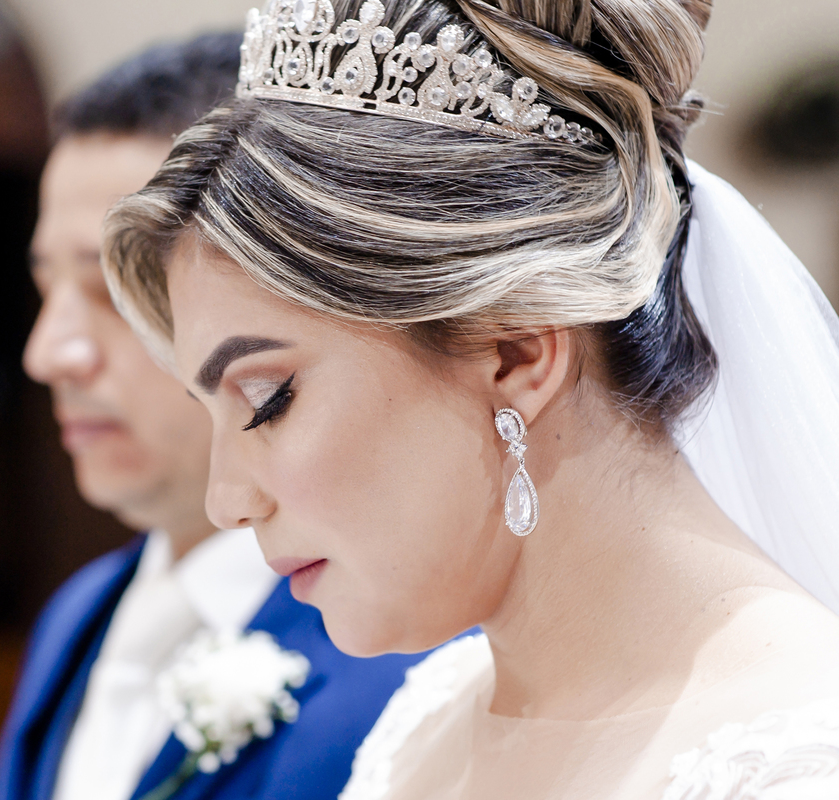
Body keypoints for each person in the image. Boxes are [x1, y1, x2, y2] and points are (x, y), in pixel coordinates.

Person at [101, 1, 839, 798]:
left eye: (268, 400)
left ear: (518, 354)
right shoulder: (425, 724)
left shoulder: (805, 756)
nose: (227, 502)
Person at [0, 33, 434, 800]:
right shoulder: (76, 616)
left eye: (113, 296)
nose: (49, 354)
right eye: (46, 289)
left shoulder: (407, 657)